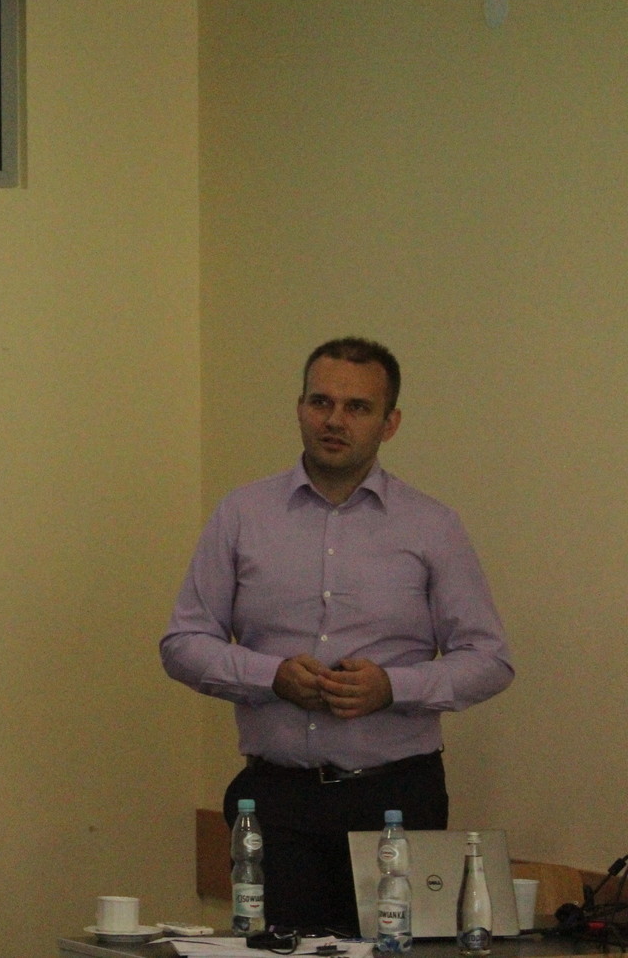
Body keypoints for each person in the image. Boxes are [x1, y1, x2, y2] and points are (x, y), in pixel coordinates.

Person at [160, 337, 514, 935]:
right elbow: (183, 643)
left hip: (395, 801)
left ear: (389, 423)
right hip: (275, 802)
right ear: (300, 408)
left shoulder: (432, 526)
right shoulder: (242, 515)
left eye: (358, 407)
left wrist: (393, 688)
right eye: (320, 402)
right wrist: (269, 676)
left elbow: (490, 659)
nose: (334, 420)